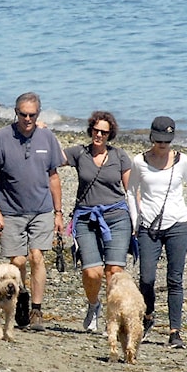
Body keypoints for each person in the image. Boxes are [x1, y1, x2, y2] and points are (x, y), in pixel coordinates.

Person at [0, 92, 65, 331]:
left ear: (38, 114)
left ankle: (36, 310)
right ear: (15, 113)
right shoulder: (2, 137)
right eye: (23, 114)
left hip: (41, 209)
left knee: (37, 257)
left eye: (32, 115)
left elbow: (54, 177)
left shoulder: (47, 137)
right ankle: (21, 297)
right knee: (17, 259)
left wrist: (58, 213)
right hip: (10, 210)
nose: (27, 119)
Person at [126, 116, 187, 349]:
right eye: (159, 139)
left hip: (178, 226)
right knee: (146, 278)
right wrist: (135, 220)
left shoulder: (183, 161)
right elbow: (130, 191)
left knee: (174, 279)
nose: (162, 144)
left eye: (167, 140)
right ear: (151, 137)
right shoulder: (139, 161)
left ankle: (175, 331)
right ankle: (148, 316)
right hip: (148, 227)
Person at [63, 111, 134, 333]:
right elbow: (51, 158)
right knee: (92, 272)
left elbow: (131, 191)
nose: (99, 135)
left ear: (110, 134)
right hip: (86, 217)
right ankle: (94, 305)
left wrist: (137, 221)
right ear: (90, 130)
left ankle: (111, 319)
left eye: (104, 131)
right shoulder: (79, 153)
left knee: (114, 271)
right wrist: (42, 131)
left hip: (117, 217)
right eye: (96, 130)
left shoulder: (120, 156)